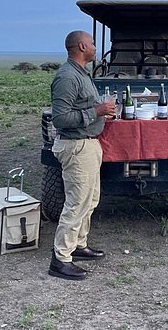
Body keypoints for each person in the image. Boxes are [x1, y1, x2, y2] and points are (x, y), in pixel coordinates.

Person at [48, 30, 116, 280]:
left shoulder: (81, 74)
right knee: (77, 203)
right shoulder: (67, 77)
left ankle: (78, 245)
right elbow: (61, 118)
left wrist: (101, 113)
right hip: (76, 146)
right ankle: (61, 259)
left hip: (87, 144)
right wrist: (96, 111)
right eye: (93, 43)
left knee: (90, 199)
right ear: (81, 45)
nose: (96, 47)